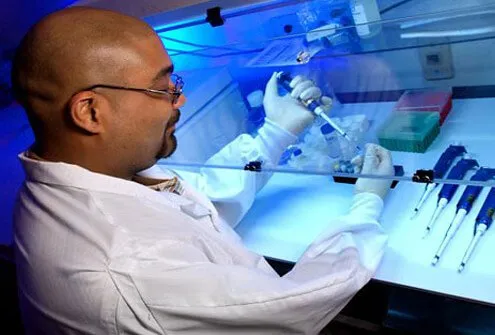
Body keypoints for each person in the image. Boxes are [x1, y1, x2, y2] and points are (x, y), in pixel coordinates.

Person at [11, 6, 394, 335]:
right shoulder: (131, 271)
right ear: (91, 112)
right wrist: (366, 208)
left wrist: (274, 134)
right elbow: (300, 303)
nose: (180, 98)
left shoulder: (73, 180)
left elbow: (190, 200)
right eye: (162, 89)